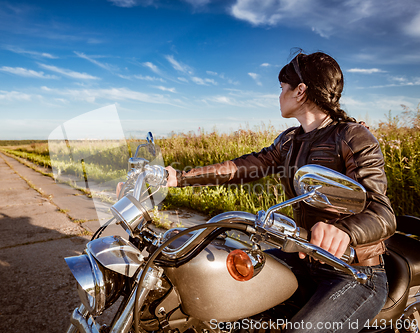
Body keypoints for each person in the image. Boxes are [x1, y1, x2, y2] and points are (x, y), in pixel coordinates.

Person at [165, 52, 396, 333]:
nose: (279, 96)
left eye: (282, 88)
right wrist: (180, 177)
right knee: (217, 288)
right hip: (303, 257)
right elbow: (241, 167)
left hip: (353, 272)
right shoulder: (289, 141)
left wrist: (345, 231)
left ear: (300, 91)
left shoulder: (353, 136)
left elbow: (381, 211)